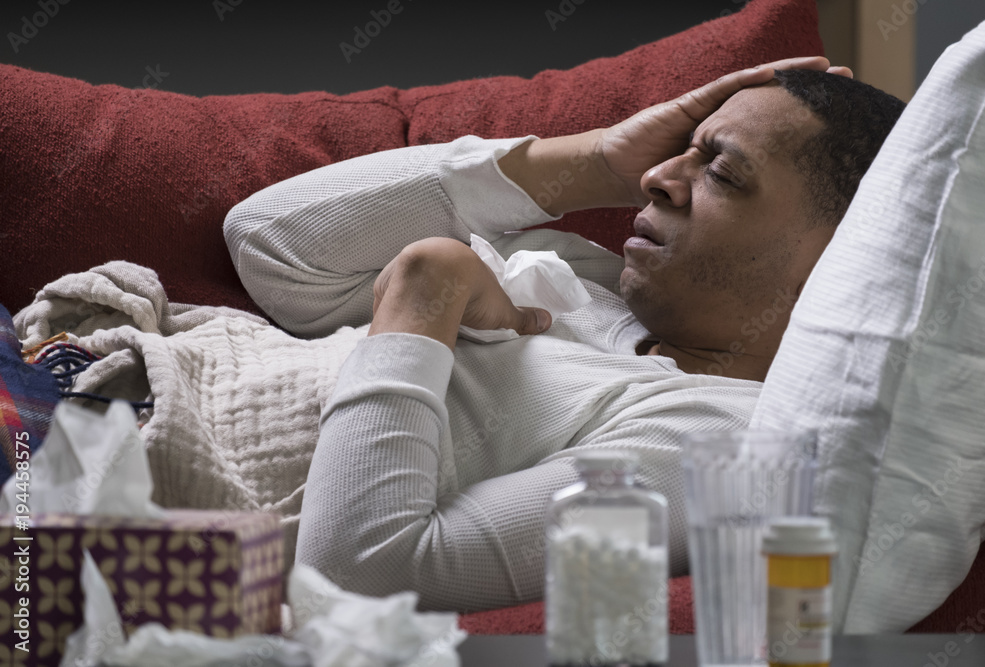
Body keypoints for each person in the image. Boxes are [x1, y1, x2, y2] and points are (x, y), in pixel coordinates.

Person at [223, 57, 905, 611]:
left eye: (721, 173)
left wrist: (428, 287)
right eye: (682, 152)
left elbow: (359, 576)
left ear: (838, 262)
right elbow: (268, 247)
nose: (658, 178)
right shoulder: (580, 276)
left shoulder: (717, 438)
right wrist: (597, 161)